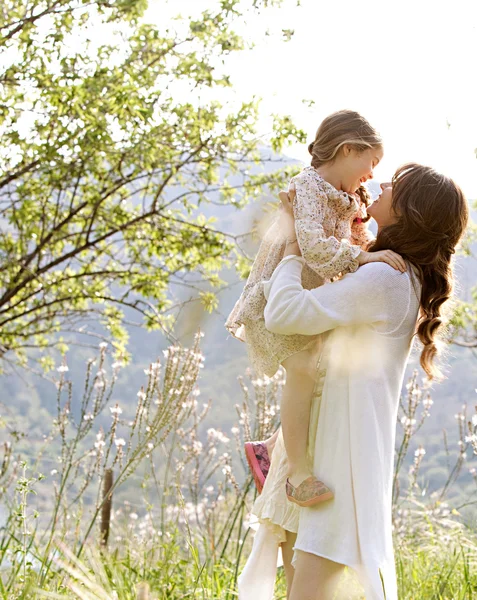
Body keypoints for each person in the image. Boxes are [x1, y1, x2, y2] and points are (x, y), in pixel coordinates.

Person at [238, 163, 468, 600]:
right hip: (328, 458)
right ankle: (274, 452)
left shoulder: (386, 278)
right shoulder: (399, 276)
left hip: (336, 467)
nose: (380, 186)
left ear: (411, 210)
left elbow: (284, 313)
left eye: (395, 187)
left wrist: (292, 245)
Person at [226, 110, 406, 505]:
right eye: (370, 163)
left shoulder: (348, 196)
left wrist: (371, 255)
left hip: (314, 291)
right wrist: (364, 261)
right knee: (304, 367)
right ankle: (298, 473)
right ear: (347, 149)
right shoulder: (307, 186)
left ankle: (269, 446)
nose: (371, 175)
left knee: (320, 371)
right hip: (283, 286)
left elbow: (358, 238)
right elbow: (310, 244)